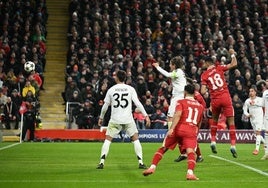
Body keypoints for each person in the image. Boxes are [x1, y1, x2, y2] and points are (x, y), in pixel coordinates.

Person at [142, 84, 204, 180]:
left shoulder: (181, 101)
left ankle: (152, 167)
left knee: (163, 148)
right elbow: (199, 122)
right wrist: (196, 132)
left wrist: (171, 128)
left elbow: (178, 114)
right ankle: (190, 173)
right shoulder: (200, 106)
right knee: (191, 152)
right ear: (194, 93)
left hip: (178, 128)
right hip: (191, 130)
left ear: (185, 92)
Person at [96, 70, 151, 169]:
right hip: (128, 119)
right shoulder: (130, 89)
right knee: (135, 139)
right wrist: (146, 115)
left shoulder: (111, 90)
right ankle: (141, 162)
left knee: (108, 140)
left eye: (115, 76)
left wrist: (101, 117)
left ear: (117, 78)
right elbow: (138, 103)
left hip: (115, 119)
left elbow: (105, 106)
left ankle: (101, 162)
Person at [200, 49, 238, 158]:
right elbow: (234, 64)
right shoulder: (219, 68)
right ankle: (233, 145)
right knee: (231, 122)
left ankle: (212, 141)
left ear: (208, 63)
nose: (202, 65)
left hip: (215, 99)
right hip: (225, 97)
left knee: (215, 121)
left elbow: (202, 91)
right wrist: (232, 53)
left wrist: (208, 90)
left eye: (203, 63)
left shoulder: (204, 75)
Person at [152, 56, 186, 129]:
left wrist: (158, 67)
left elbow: (168, 75)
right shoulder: (180, 72)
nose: (170, 65)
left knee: (170, 117)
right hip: (180, 96)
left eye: (171, 64)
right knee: (178, 117)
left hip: (178, 97)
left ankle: (171, 135)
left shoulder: (178, 71)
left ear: (174, 65)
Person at [242, 85, 265, 155]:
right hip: (252, 120)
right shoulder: (247, 101)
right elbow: (244, 110)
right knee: (257, 134)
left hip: (259, 118)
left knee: (258, 133)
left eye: (252, 91)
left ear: (255, 92)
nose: (250, 92)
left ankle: (256, 149)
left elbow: (265, 105)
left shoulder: (260, 99)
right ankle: (265, 144)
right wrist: (247, 114)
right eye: (249, 91)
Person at [256, 80, 268, 160]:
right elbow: (263, 104)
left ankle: (267, 153)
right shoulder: (265, 93)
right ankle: (267, 153)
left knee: (267, 134)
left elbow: (263, 104)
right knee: (267, 134)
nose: (267, 82)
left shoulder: (265, 93)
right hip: (267, 116)